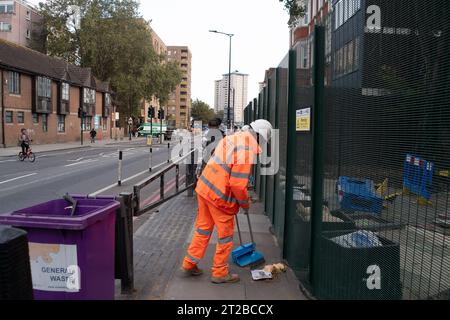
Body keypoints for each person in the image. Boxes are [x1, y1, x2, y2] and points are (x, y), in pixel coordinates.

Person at [182, 119, 273, 284]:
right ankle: (219, 272)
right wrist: (245, 203)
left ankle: (189, 263)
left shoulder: (232, 138)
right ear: (260, 137)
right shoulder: (246, 149)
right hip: (219, 197)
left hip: (205, 189)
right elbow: (237, 184)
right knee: (225, 236)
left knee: (203, 230)